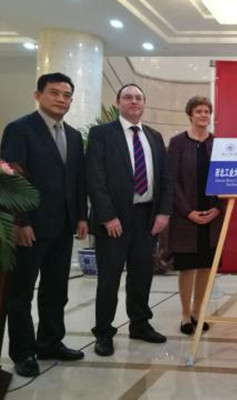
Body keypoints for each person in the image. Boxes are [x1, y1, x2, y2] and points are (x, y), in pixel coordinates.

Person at [0, 72, 88, 377]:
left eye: (67, 95)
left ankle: (50, 342)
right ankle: (23, 352)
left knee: (56, 289)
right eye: (54, 93)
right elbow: (12, 178)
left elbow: (77, 180)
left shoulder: (73, 136)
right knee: (21, 293)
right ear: (38, 95)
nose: (61, 99)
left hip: (63, 227)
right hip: (31, 227)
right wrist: (20, 221)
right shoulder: (19, 129)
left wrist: (81, 216)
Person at [87, 83, 172, 356]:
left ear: (143, 103)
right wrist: (107, 216)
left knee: (142, 275)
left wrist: (163, 212)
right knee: (109, 279)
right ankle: (103, 332)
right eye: (128, 97)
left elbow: (166, 178)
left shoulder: (154, 136)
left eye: (138, 97)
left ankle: (140, 324)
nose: (134, 101)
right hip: (114, 220)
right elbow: (95, 178)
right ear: (118, 103)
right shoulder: (102, 134)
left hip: (147, 218)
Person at [167, 96, 223, 335]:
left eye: (207, 111)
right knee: (188, 268)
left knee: (206, 267)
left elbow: (226, 179)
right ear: (190, 114)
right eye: (199, 111)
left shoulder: (218, 144)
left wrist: (218, 208)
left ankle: (198, 311)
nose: (203, 115)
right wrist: (187, 211)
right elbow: (171, 181)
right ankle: (184, 314)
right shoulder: (177, 143)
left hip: (212, 217)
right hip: (185, 217)